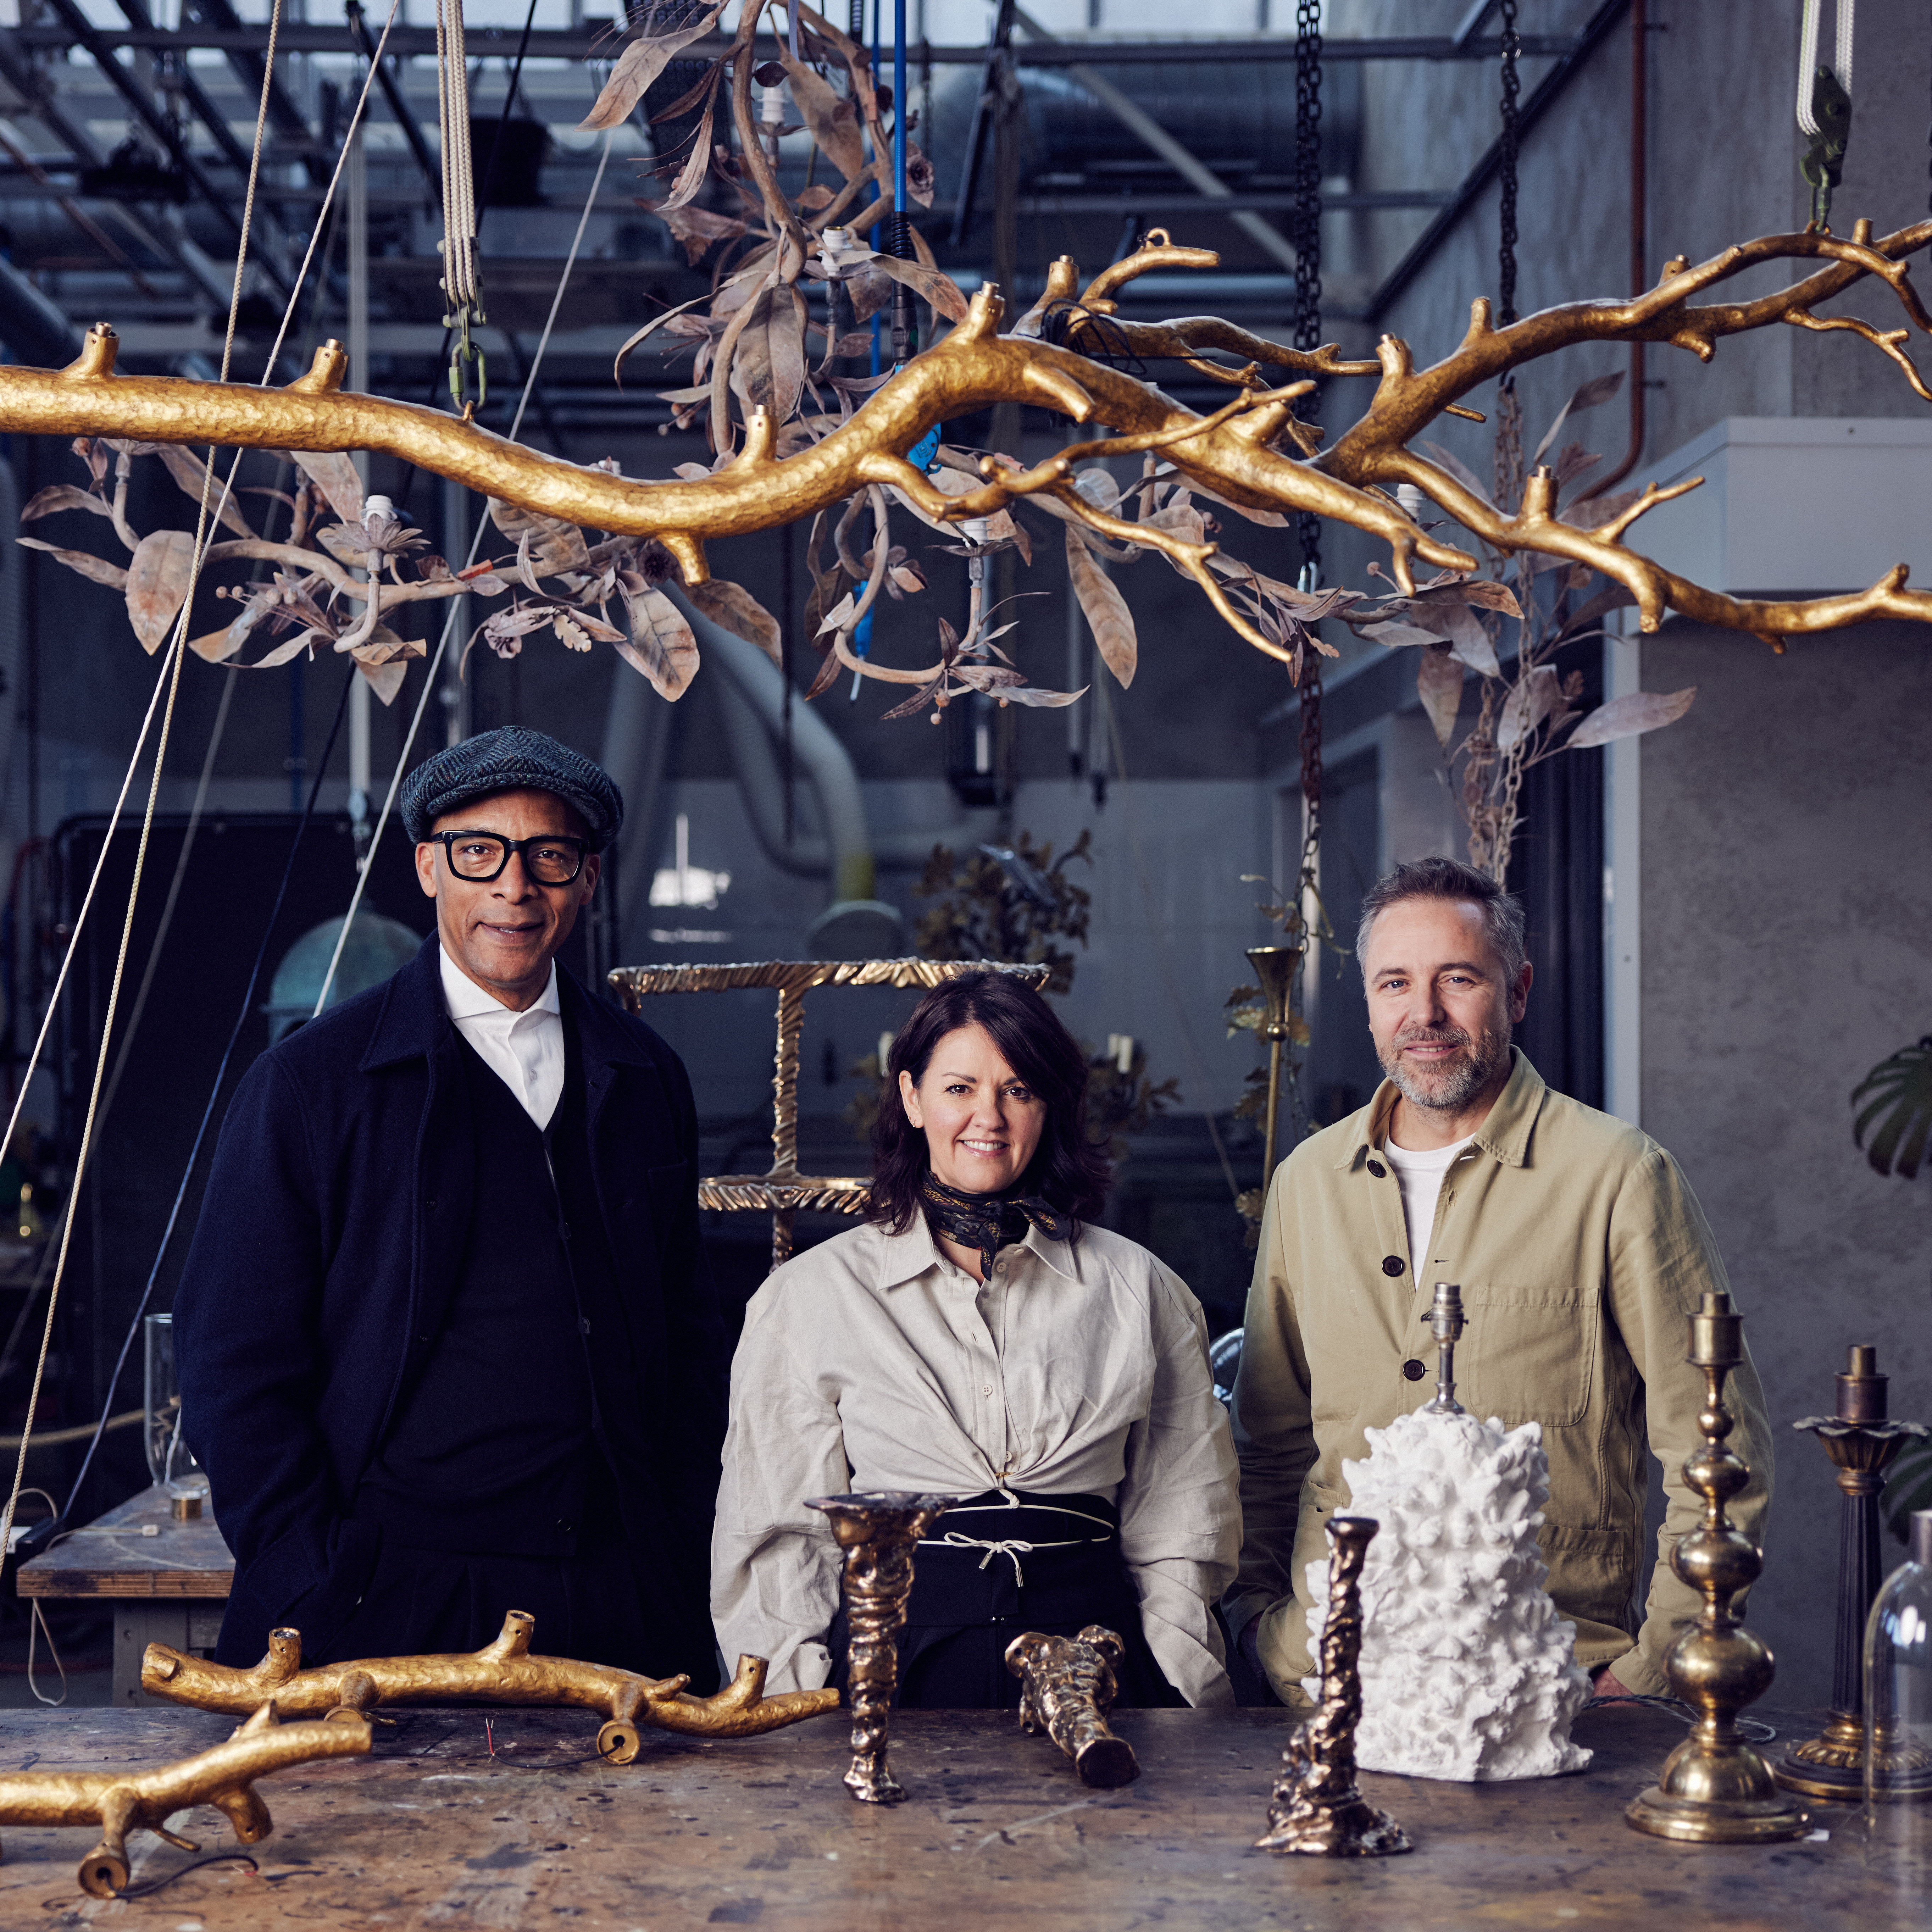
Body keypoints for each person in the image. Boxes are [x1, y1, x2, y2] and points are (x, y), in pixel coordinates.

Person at [174, 726, 726, 1682]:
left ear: (587, 879)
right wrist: (309, 1572)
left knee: (637, 1837)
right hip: (385, 1592)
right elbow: (233, 1365)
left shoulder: (644, 1077)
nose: (516, 888)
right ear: (430, 868)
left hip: (614, 1590)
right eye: (481, 853)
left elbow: (689, 1335)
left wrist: (674, 1544)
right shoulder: (312, 1085)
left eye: (550, 856)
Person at [1226, 855, 1772, 1709]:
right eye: (1395, 984)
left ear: (1516, 991)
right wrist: (1263, 1627)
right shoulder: (1306, 1183)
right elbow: (1270, 1445)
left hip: (1551, 1687)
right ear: (1367, 1002)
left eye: (1458, 980)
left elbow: (1720, 1449)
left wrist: (1650, 1667)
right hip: (1332, 1683)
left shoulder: (1619, 1177)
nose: (1425, 1014)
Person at [712, 970, 1240, 1708]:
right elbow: (775, 1544)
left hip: (1106, 1679)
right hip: (891, 1684)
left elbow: (1187, 1520)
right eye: (959, 1088)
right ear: (912, 1097)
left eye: (1018, 1090)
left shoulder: (1142, 1291)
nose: (987, 1117)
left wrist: (1179, 1682)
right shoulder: (809, 1300)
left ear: (1049, 1106)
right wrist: (792, 1717)